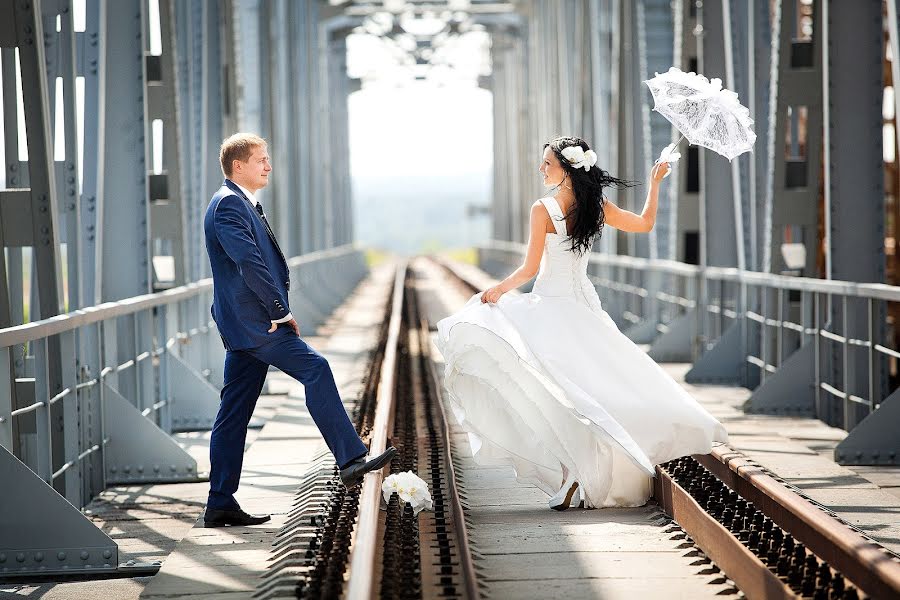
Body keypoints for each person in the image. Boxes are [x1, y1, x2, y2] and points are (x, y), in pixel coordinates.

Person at [436, 136, 728, 510]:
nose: (542, 169)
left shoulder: (543, 209)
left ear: (566, 168)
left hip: (551, 307)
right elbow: (644, 224)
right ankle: (581, 474)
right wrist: (654, 185)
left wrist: (497, 290)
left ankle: (576, 474)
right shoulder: (597, 206)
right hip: (584, 307)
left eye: (547, 163)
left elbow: (528, 269)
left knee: (557, 393)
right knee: (592, 389)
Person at [202, 133, 396, 527]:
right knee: (316, 368)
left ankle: (220, 501)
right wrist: (279, 311)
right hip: (257, 323)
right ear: (238, 166)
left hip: (245, 325)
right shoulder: (228, 207)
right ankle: (350, 458)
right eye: (261, 160)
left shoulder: (238, 203)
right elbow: (249, 263)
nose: (268, 166)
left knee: (234, 413)